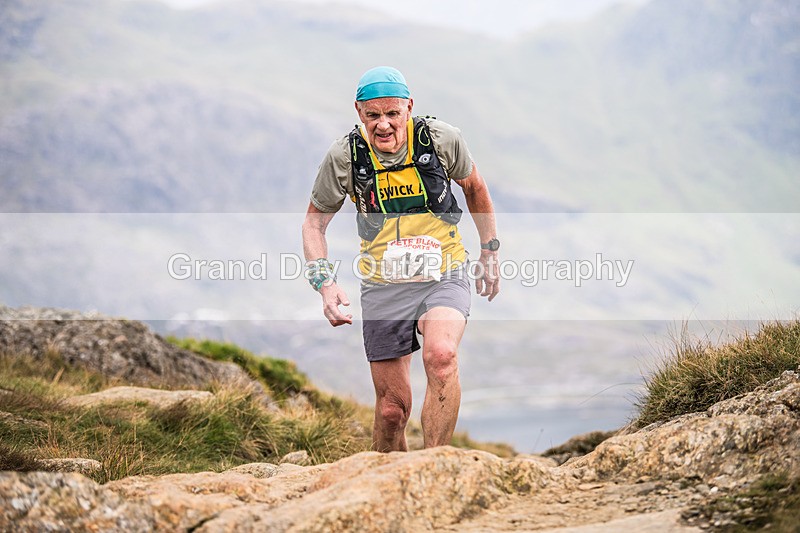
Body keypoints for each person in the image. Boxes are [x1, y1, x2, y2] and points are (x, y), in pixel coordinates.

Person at [302, 66, 500, 452]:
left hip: (444, 271)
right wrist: (324, 284)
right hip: (383, 284)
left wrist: (489, 251)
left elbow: (475, 187)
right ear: (359, 112)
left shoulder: (441, 139)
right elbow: (313, 224)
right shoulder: (345, 156)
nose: (384, 125)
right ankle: (386, 478)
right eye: (373, 115)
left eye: (393, 114)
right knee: (393, 411)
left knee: (441, 356)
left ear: (409, 107)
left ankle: (435, 467)